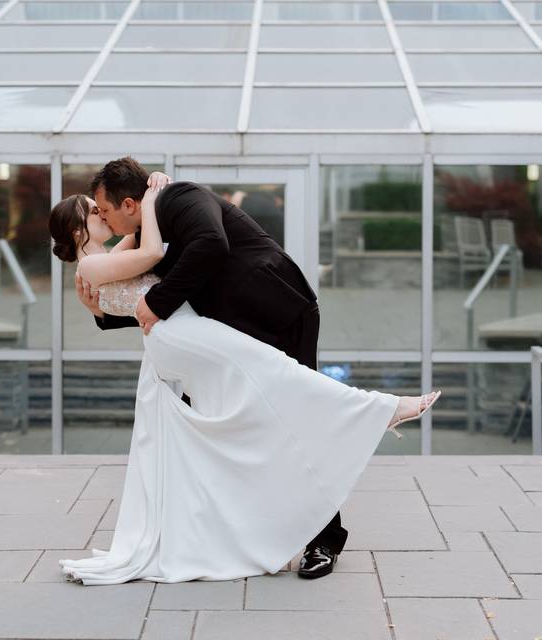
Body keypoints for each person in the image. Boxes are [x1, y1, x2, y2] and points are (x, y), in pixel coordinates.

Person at [49, 159, 440, 585]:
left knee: (297, 413)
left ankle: (326, 537)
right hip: (220, 331)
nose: (102, 217)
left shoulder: (183, 199)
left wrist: (151, 297)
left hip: (279, 310)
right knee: (244, 431)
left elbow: (208, 248)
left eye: (104, 209)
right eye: (95, 214)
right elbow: (148, 295)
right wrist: (106, 313)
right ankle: (254, 533)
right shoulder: (141, 232)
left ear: (128, 203)